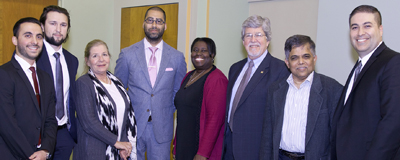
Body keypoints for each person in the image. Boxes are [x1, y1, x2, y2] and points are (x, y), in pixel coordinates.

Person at [115, 6, 186, 160]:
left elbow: (178, 92)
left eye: (159, 21)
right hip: (133, 128)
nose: (154, 25)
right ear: (143, 24)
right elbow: (118, 91)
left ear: (165, 26)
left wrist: (164, 109)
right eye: (150, 20)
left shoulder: (177, 57)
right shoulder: (127, 54)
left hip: (162, 128)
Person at [332, 5, 400, 160]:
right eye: (354, 27)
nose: (360, 33)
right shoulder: (359, 67)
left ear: (380, 29)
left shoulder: (393, 62)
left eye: (367, 26)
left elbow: (393, 122)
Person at [259, 35, 343, 160]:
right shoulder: (275, 90)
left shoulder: (333, 89)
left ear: (314, 59)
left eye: (306, 56)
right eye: (294, 58)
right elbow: (267, 135)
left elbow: (338, 138)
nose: (301, 62)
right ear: (287, 63)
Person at [222, 15, 290, 160]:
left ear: (268, 40)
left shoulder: (280, 70)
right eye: (248, 35)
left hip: (257, 151)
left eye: (259, 35)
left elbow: (280, 118)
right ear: (243, 41)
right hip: (230, 148)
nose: (253, 40)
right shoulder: (235, 68)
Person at [0, 17, 57, 160]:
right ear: (14, 40)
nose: (34, 41)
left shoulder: (45, 78)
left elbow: (51, 120)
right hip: (13, 155)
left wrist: (45, 150)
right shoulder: (4, 74)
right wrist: (31, 157)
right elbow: (7, 124)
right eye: (27, 35)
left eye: (39, 36)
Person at [73, 39, 137, 160]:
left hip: (116, 152)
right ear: (87, 61)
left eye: (104, 54)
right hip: (93, 151)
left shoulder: (117, 82)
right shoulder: (83, 83)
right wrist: (116, 142)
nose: (101, 59)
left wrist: (123, 145)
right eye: (95, 56)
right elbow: (89, 123)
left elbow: (124, 117)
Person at [172, 37, 228, 160]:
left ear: (212, 55)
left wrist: (203, 154)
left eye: (204, 50)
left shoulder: (217, 80)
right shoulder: (188, 76)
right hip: (184, 145)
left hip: (201, 149)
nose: (198, 53)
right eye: (195, 50)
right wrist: (176, 145)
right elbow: (182, 115)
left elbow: (215, 120)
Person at [36, 5, 79, 159]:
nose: (58, 29)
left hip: (64, 135)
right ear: (42, 26)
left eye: (63, 25)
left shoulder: (72, 60)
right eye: (53, 23)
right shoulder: (33, 57)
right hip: (37, 137)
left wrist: (71, 135)